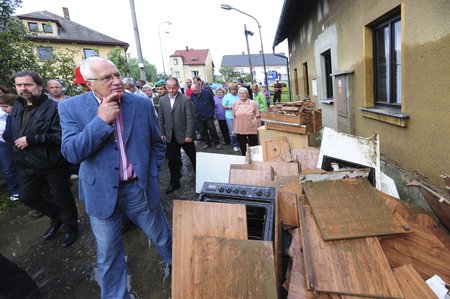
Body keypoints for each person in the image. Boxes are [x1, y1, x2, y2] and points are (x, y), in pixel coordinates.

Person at [58, 57, 172, 298]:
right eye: (107, 78)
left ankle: (180, 267)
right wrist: (100, 121)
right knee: (108, 256)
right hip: (100, 192)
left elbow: (157, 144)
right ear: (90, 84)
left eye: (117, 75)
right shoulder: (70, 107)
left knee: (162, 236)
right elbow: (71, 152)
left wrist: (151, 174)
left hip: (138, 189)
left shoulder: (140, 104)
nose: (117, 81)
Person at [11, 70, 78, 248]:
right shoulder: (18, 104)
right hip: (26, 163)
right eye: (19, 85)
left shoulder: (55, 108)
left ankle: (71, 226)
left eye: (27, 84)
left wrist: (32, 139)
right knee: (28, 197)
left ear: (39, 87)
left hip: (52, 163)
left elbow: (61, 135)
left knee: (63, 198)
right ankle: (57, 217)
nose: (23, 88)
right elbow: (16, 129)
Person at [158, 77, 196, 194]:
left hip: (185, 135)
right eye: (169, 88)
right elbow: (161, 118)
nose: (171, 90)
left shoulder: (186, 100)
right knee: (173, 161)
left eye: (173, 88)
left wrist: (189, 135)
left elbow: (191, 119)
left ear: (178, 87)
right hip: (170, 136)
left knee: (194, 158)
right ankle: (174, 183)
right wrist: (162, 133)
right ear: (166, 87)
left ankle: (201, 179)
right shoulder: (162, 100)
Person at [0, 91, 20, 201]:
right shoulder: (8, 112)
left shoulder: (13, 110)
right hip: (2, 142)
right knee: (7, 167)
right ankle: (15, 190)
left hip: (15, 140)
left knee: (20, 164)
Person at [191, 83, 222, 150]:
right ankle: (207, 143)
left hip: (208, 115)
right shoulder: (193, 95)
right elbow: (192, 104)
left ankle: (217, 143)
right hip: (199, 116)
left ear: (198, 88)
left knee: (212, 129)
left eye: (195, 90)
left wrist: (211, 113)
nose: (194, 92)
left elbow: (212, 103)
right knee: (202, 131)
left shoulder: (207, 93)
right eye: (193, 91)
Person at [232, 87, 261, 156]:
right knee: (243, 147)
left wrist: (259, 128)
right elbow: (234, 117)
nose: (242, 95)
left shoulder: (253, 103)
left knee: (254, 147)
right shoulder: (235, 103)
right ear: (238, 94)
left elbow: (258, 116)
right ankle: (245, 159)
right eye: (240, 93)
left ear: (247, 94)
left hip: (252, 128)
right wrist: (234, 129)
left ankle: (256, 160)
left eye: (244, 93)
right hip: (240, 128)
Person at [222, 83, 240, 152]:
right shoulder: (226, 96)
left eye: (235, 90)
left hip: (238, 116)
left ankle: (239, 144)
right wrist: (230, 107)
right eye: (232, 90)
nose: (234, 91)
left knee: (239, 130)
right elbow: (223, 106)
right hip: (229, 116)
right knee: (232, 131)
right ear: (230, 90)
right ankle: (235, 144)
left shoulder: (239, 96)